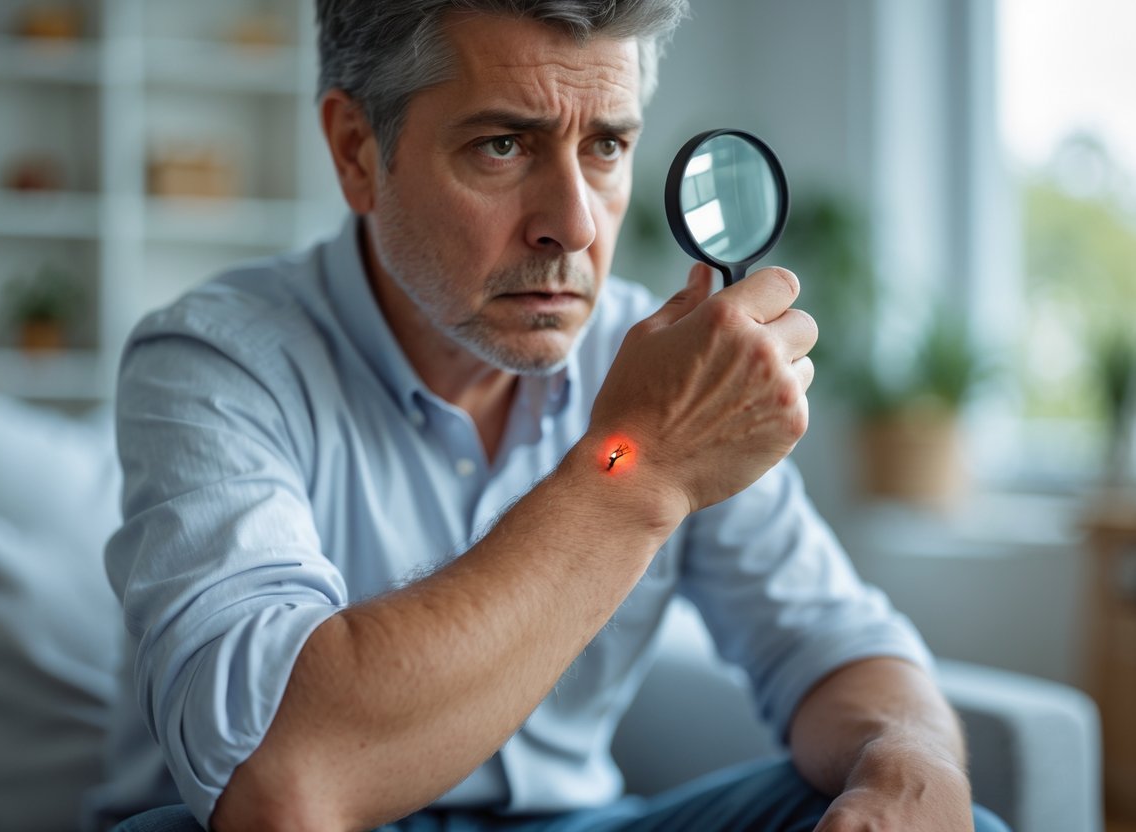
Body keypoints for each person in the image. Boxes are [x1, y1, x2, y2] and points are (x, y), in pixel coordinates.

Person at [89, 2, 1011, 830]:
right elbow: (283, 787)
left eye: (605, 146)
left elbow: (834, 643)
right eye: (502, 145)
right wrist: (636, 467)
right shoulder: (213, 361)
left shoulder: (655, 356)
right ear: (357, 152)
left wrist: (909, 762)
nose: (572, 225)